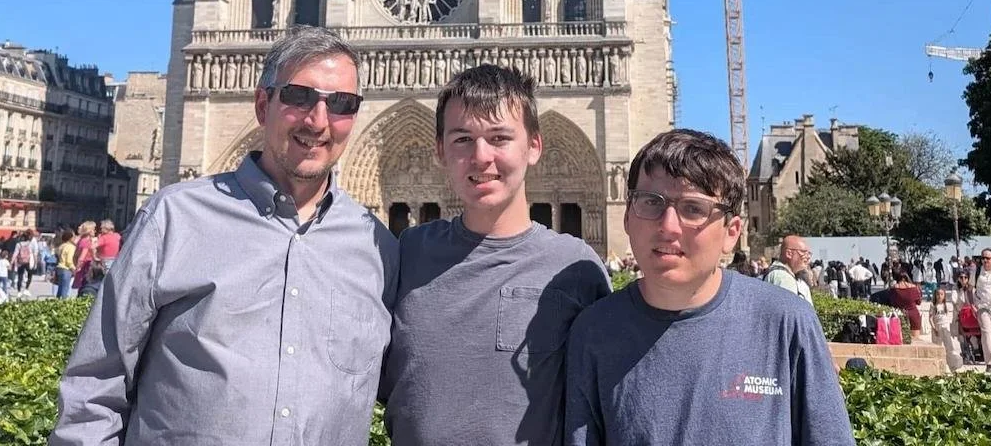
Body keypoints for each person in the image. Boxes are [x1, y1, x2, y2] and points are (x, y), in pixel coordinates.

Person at [52, 26, 399, 446]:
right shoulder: (174, 218)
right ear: (261, 104)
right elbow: (94, 388)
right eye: (298, 96)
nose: (318, 120)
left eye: (341, 103)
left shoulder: (377, 247)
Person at [565, 129, 854, 446]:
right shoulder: (593, 333)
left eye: (693, 208)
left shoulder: (787, 323)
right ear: (627, 218)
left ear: (732, 232)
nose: (668, 226)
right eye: (651, 202)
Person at [380, 64, 609, 446]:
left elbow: (602, 397)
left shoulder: (577, 268)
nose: (481, 157)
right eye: (462, 139)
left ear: (534, 146)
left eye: (499, 137)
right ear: (439, 150)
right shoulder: (407, 253)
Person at [764, 235, 814, 305]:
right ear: (789, 253)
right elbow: (790, 311)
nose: (808, 257)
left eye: (809, 253)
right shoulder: (783, 277)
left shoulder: (784, 274)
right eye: (803, 252)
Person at [885, 266, 923, 336]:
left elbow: (891, 303)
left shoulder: (893, 289)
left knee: (899, 341)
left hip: (899, 315)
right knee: (916, 340)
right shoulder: (914, 288)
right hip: (913, 314)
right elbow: (919, 302)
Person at [54, 228, 77, 299]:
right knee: (65, 289)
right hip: (66, 269)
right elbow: (69, 260)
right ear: (70, 238)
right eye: (74, 236)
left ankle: (57, 302)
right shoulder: (71, 247)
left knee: (60, 288)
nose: (75, 237)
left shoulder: (61, 246)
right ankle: (63, 304)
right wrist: (73, 269)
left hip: (59, 267)